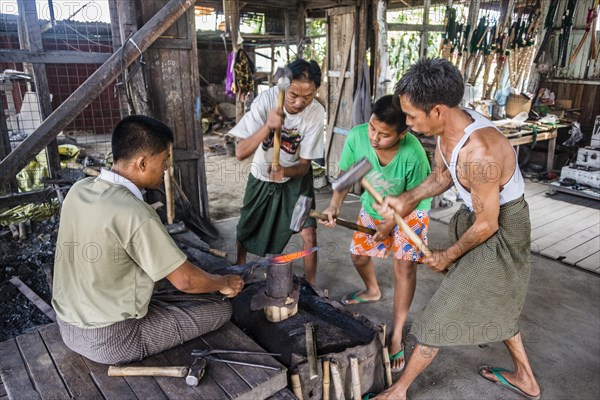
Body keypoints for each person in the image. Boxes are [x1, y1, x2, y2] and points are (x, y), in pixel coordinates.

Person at [374, 58, 540, 400]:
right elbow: (441, 176)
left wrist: (445, 254)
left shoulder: (479, 152)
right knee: (497, 299)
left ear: (437, 111)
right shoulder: (448, 129)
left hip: (501, 232)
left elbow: (487, 224)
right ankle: (526, 377)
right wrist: (404, 200)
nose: (407, 123)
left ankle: (399, 391)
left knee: (439, 316)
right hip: (476, 219)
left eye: (412, 117)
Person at [52, 115, 244, 365]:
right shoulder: (135, 212)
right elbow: (184, 281)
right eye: (164, 160)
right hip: (112, 340)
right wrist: (224, 282)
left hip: (67, 325)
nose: (166, 168)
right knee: (220, 310)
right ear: (142, 163)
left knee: (180, 288)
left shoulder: (81, 189)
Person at [321, 94, 431, 373]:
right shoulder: (357, 137)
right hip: (374, 206)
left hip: (410, 210)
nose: (374, 138)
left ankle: (395, 336)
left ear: (403, 132)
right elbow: (346, 176)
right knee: (358, 256)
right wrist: (334, 206)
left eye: (384, 134)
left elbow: (416, 196)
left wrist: (391, 225)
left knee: (404, 267)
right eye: (372, 127)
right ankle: (372, 290)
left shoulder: (414, 152)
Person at [231, 58, 324, 285]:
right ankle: (240, 270)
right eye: (293, 95)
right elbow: (241, 152)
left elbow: (303, 166)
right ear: (285, 87)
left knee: (309, 235)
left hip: (295, 179)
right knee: (246, 229)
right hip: (261, 176)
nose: (300, 102)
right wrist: (268, 127)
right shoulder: (266, 100)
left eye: (308, 96)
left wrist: (284, 172)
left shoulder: (316, 113)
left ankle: (312, 286)